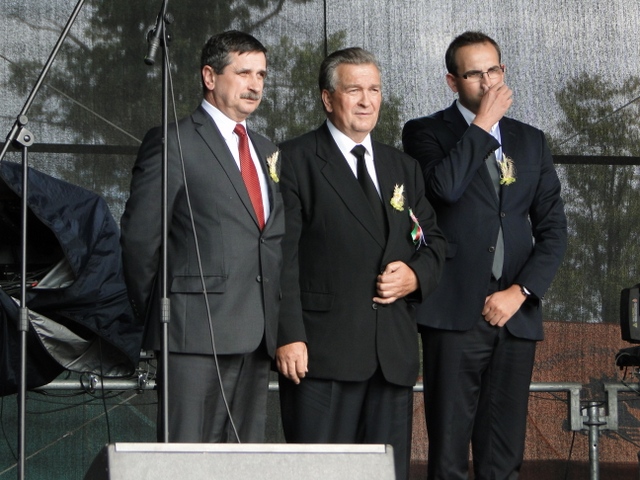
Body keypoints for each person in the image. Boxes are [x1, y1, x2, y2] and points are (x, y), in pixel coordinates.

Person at [402, 31, 567, 479]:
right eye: (474, 74)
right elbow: (444, 190)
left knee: (503, 457)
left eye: (493, 70)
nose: (487, 81)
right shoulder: (425, 132)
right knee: (449, 456)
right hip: (455, 309)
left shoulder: (530, 141)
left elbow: (553, 230)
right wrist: (482, 125)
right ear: (452, 82)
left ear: (503, 71)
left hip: (514, 312)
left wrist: (521, 291)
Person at [276, 47, 446, 480]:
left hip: (391, 357)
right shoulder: (294, 159)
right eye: (354, 90)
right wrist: (288, 334)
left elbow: (434, 242)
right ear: (328, 98)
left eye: (374, 90)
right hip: (321, 356)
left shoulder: (402, 166)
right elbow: (280, 257)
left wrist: (415, 275)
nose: (367, 101)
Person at [120, 30, 283, 443]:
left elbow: (270, 240)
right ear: (209, 77)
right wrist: (161, 311)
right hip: (191, 334)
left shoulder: (266, 149)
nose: (255, 84)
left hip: (256, 336)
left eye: (261, 75)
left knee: (243, 462)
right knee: (186, 459)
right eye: (243, 73)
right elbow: (140, 240)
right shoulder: (173, 141)